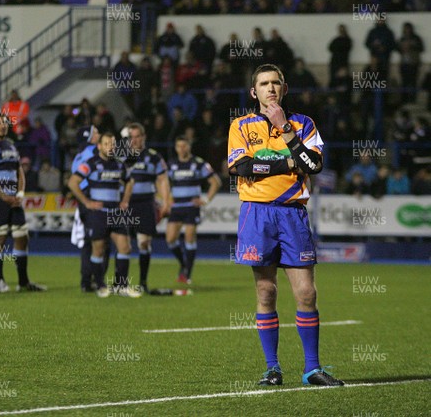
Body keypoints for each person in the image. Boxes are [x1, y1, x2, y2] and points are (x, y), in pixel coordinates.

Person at [227, 63, 344, 387]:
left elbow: (314, 164)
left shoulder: (304, 124)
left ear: (285, 88)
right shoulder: (240, 125)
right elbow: (241, 166)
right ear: (254, 92)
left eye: (276, 82)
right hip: (257, 212)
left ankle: (311, 369)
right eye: (263, 83)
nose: (270, 88)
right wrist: (290, 162)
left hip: (292, 213)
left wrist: (286, 131)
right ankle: (272, 368)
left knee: (306, 292)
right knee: (266, 291)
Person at [0, 112, 46, 293]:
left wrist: (20, 193)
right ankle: (0, 281)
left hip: (14, 199)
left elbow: (19, 171)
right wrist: (3, 196)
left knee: (22, 237)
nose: (3, 126)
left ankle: (23, 282)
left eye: (5, 123)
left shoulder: (11, 145)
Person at [68, 132, 139, 298]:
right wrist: (86, 202)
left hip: (116, 212)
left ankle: (121, 285)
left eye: (112, 144)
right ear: (99, 146)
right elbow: (72, 182)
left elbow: (129, 182)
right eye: (106, 144)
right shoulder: (91, 163)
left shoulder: (119, 165)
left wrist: (125, 201)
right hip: (98, 213)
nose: (110, 147)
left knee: (125, 247)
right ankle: (99, 285)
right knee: (98, 250)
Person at [165, 136, 220, 284]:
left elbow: (215, 182)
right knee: (170, 239)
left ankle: (187, 273)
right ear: (175, 148)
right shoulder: (171, 165)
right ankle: (184, 263)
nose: (181, 149)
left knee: (189, 237)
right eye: (178, 146)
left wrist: (205, 200)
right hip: (176, 207)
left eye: (184, 146)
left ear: (189, 146)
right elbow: (163, 183)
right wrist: (166, 198)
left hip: (191, 207)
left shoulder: (198, 163)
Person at [124, 123, 170, 292]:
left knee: (144, 243)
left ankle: (142, 282)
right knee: (124, 244)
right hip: (125, 204)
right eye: (131, 137)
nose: (134, 140)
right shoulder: (122, 157)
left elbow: (163, 180)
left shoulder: (153, 157)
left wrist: (166, 202)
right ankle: (120, 283)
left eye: (137, 136)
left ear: (143, 137)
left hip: (145, 203)